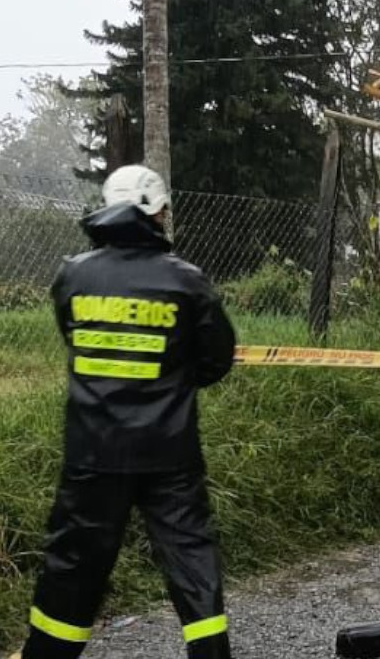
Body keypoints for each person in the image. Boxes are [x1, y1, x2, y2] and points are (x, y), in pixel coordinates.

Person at [15, 165, 237, 659]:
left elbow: (75, 340)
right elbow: (217, 360)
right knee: (191, 561)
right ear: (156, 213)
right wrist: (170, 383)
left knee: (73, 566)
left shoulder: (73, 274)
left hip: (92, 452)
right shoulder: (187, 280)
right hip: (170, 454)